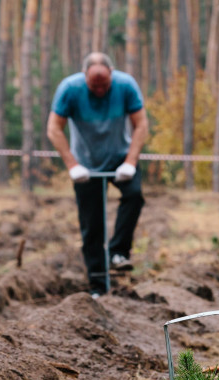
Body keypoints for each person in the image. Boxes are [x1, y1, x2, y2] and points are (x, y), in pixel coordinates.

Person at [47, 52, 149, 297]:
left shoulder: (126, 86)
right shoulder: (69, 90)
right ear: (85, 77)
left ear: (112, 75)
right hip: (86, 163)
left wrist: (130, 162)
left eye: (105, 84)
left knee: (134, 196)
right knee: (92, 225)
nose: (101, 89)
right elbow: (54, 128)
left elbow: (142, 124)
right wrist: (73, 165)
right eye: (95, 85)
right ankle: (97, 284)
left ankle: (118, 252)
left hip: (120, 158)